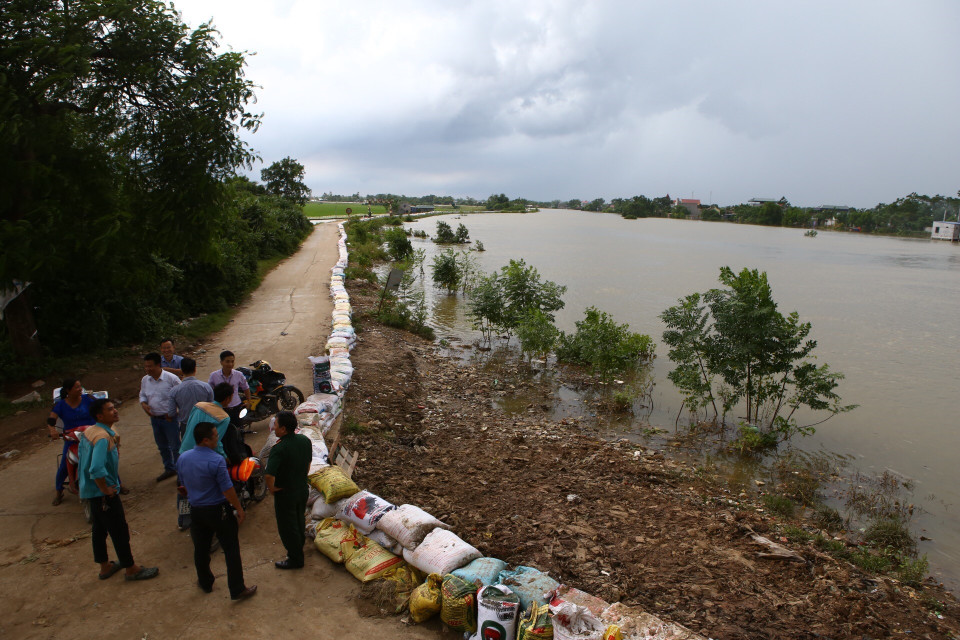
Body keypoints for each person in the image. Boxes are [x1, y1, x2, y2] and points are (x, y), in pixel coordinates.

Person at [79, 398, 159, 582]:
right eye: (110, 409)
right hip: (103, 494)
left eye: (114, 408)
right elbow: (96, 468)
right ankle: (131, 568)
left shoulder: (90, 431)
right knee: (119, 530)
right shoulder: (102, 437)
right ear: (99, 415)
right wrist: (106, 489)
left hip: (90, 491)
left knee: (99, 529)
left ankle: (104, 566)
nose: (115, 411)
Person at [176, 421, 257, 600]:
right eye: (215, 436)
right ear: (205, 440)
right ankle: (237, 588)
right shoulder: (216, 460)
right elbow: (227, 489)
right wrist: (238, 508)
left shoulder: (183, 458)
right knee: (231, 549)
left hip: (196, 510)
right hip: (218, 510)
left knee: (201, 548)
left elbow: (183, 484)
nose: (217, 439)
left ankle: (205, 582)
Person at [265, 411, 312, 569]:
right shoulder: (305, 440)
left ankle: (296, 558)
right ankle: (299, 544)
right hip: (302, 489)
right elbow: (307, 465)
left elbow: (269, 475)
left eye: (276, 425)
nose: (274, 428)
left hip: (286, 493)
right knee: (299, 519)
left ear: (284, 429)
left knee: (287, 526)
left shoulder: (279, 448)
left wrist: (272, 489)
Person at [47, 378, 96, 505]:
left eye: (80, 386)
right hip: (72, 440)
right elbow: (51, 419)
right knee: (64, 465)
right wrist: (52, 430)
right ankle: (59, 491)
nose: (80, 389)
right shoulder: (61, 405)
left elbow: (102, 407)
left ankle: (118, 483)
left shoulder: (88, 399)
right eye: (77, 387)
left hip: (91, 436)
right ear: (68, 390)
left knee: (105, 458)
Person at [140, 352, 181, 482]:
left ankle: (181, 473)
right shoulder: (145, 380)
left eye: (150, 366)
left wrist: (175, 412)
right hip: (155, 419)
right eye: (146, 366)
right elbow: (142, 395)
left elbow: (181, 396)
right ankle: (169, 468)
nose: (148, 369)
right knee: (162, 446)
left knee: (175, 447)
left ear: (158, 365)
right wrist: (143, 404)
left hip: (170, 420)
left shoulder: (172, 379)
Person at [169, 358, 213, 438]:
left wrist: (182, 413)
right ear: (195, 369)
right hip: (204, 424)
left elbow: (171, 413)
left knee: (188, 449)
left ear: (182, 370)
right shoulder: (206, 387)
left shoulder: (174, 390)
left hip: (186, 426)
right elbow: (211, 406)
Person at [207, 350, 251, 429]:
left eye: (232, 361)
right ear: (221, 362)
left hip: (236, 408)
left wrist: (248, 401)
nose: (230, 364)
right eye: (227, 361)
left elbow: (246, 388)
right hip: (220, 409)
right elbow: (210, 391)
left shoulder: (239, 374)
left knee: (238, 431)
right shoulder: (214, 376)